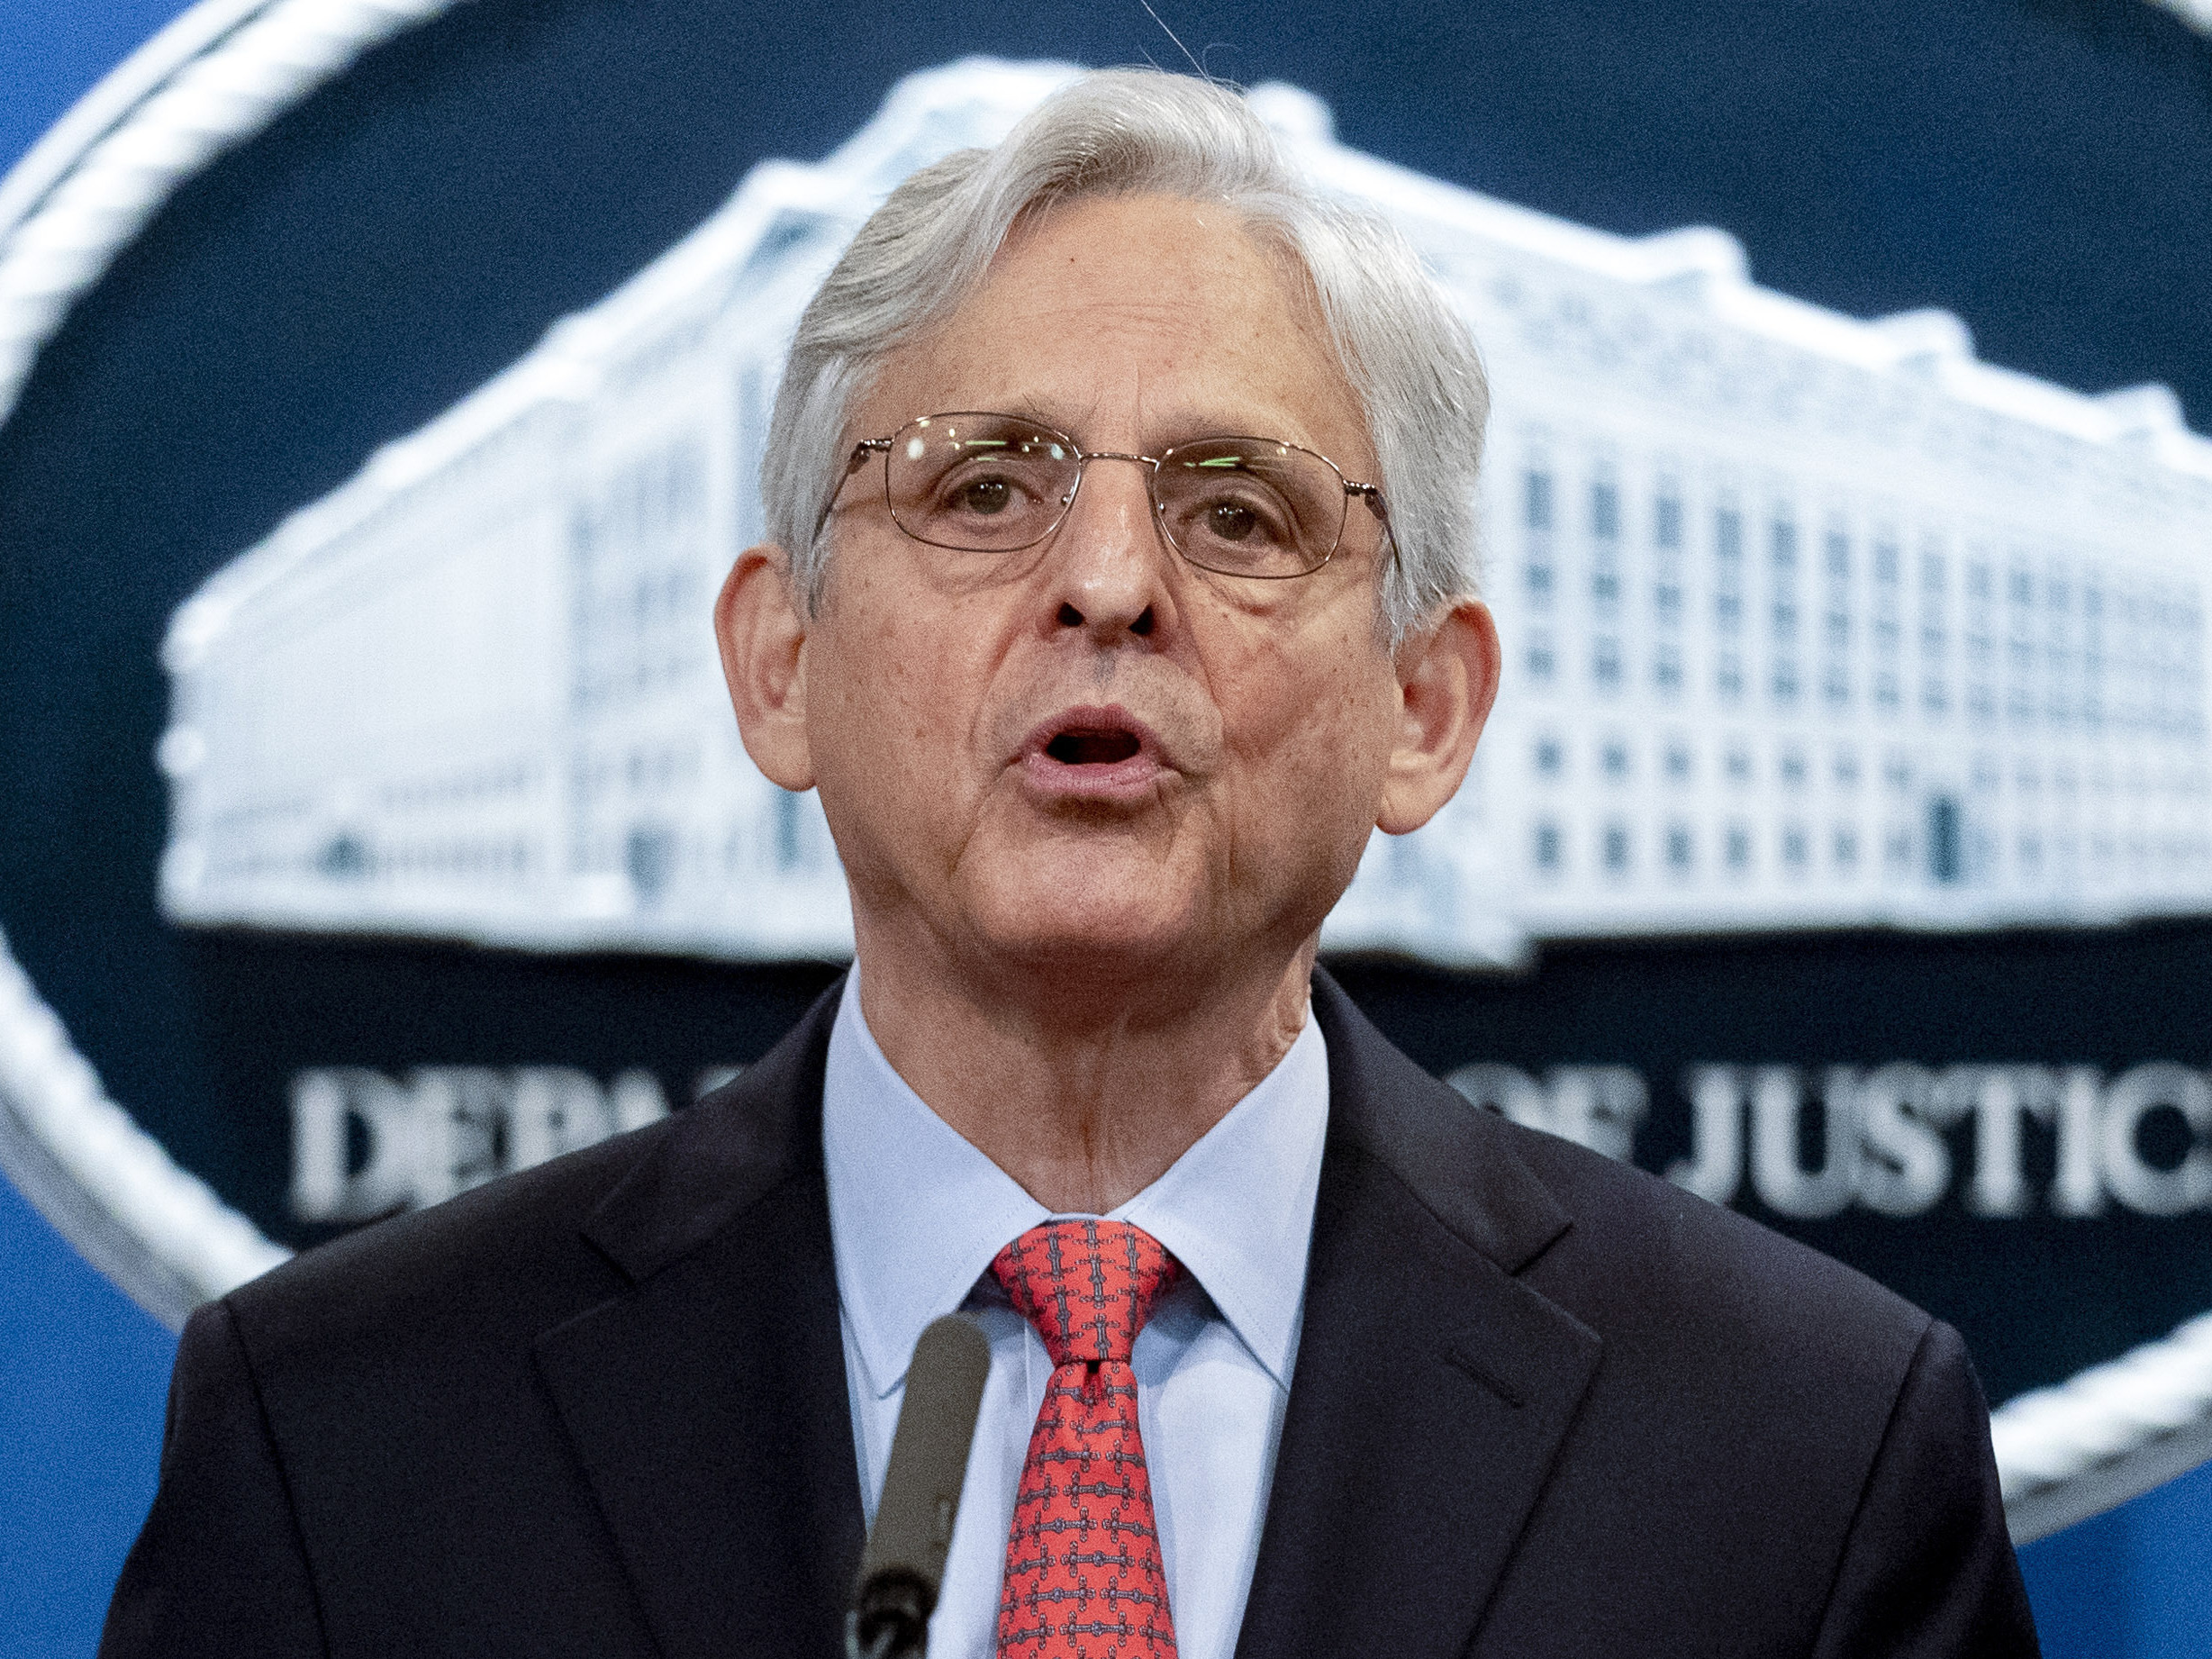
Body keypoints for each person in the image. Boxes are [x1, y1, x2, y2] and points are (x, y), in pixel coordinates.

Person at [102, 68, 2039, 1659]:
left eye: (1240, 513)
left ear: (1423, 709)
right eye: (982, 488)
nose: (1108, 583)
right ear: (780, 663)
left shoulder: (1799, 1453)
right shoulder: (347, 1438)